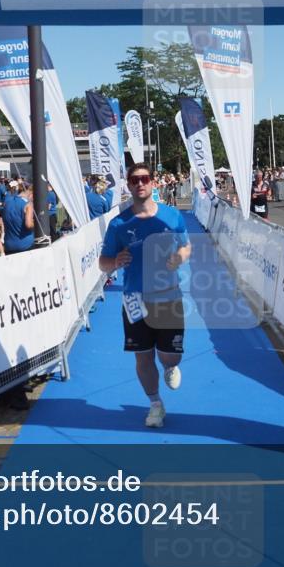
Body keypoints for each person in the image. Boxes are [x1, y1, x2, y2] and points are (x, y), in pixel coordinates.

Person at [99, 162, 191, 429]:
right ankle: (155, 404)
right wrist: (115, 260)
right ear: (128, 185)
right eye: (134, 180)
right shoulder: (118, 224)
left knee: (169, 356)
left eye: (145, 178)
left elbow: (187, 248)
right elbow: (103, 263)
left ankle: (171, 367)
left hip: (168, 296)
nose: (140, 183)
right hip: (134, 299)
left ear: (153, 183)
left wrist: (179, 257)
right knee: (143, 356)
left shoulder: (172, 216)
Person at [3, 180, 36, 255]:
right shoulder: (28, 205)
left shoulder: (7, 203)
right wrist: (37, 221)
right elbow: (28, 224)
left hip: (8, 246)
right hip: (25, 246)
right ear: (31, 193)